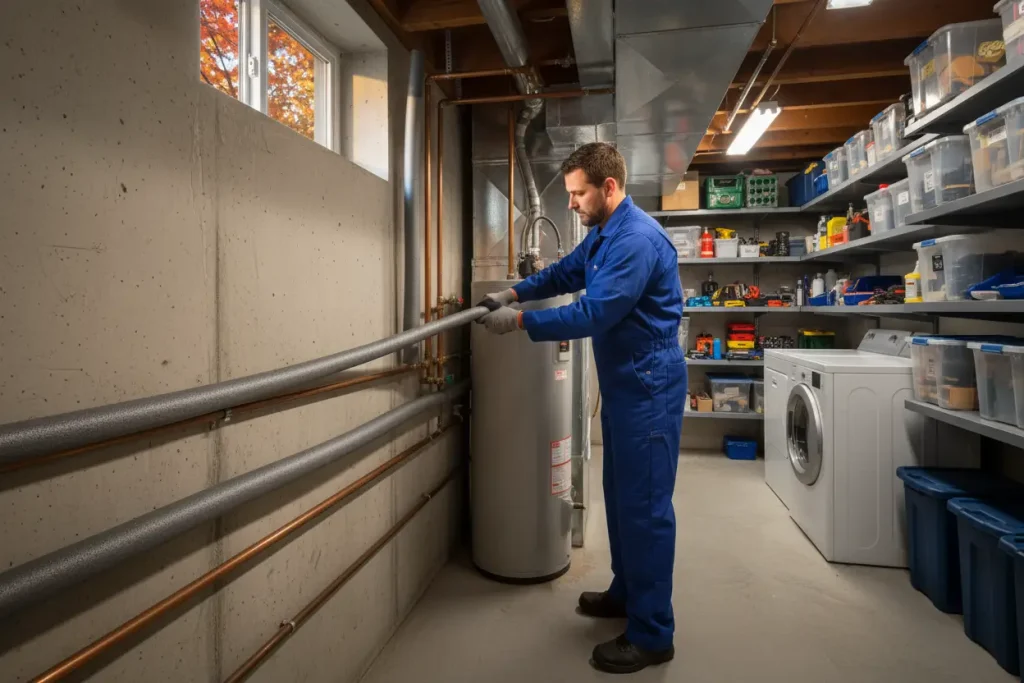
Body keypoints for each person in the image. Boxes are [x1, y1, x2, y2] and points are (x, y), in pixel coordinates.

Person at [481, 142, 687, 674]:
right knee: (621, 500)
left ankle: (652, 633)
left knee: (645, 511)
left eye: (577, 193)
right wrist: (513, 293)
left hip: (650, 387)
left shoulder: (637, 240)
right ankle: (627, 594)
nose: (570, 203)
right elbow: (567, 272)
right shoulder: (604, 232)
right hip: (625, 384)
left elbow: (593, 313)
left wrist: (523, 324)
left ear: (609, 188)